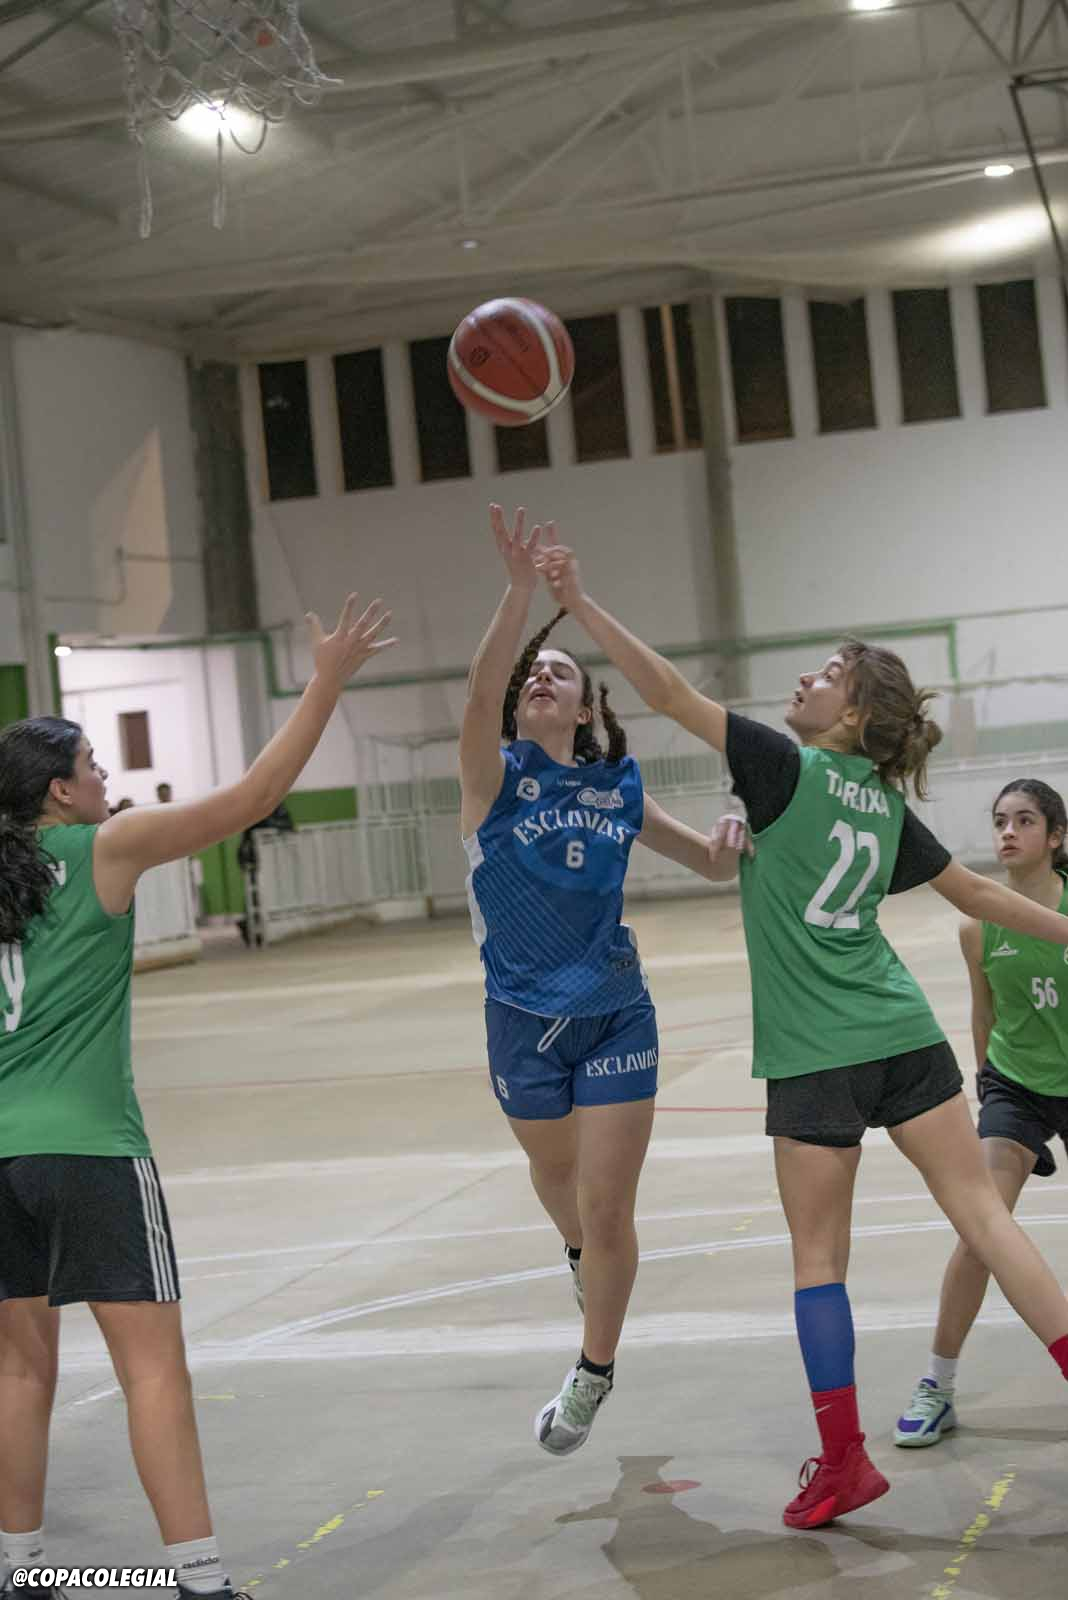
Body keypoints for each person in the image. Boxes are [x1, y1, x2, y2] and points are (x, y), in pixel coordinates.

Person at [538, 535, 1068, 1528]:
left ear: (853, 715)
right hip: (902, 1030)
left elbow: (664, 693)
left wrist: (581, 601)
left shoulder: (781, 765)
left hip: (817, 1054)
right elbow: (977, 895)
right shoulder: (884, 804)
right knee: (988, 1221)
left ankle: (844, 1462)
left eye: (825, 674)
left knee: (819, 1259)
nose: (804, 679)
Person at [0, 594, 394, 1600]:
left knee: (18, 1371)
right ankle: (201, 1581)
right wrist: (325, 682)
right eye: (92, 766)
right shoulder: (104, 850)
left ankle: (19, 1571)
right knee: (152, 1368)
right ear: (58, 792)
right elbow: (255, 794)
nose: (105, 779)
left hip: (1, 1159)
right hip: (89, 1147)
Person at [460, 505, 746, 1460]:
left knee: (608, 1202)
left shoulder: (617, 787)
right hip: (521, 1017)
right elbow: (479, 691)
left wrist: (729, 839)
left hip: (617, 1009)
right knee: (559, 1182)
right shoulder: (491, 780)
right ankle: (583, 1259)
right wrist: (519, 595)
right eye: (533, 674)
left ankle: (592, 1373)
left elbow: (708, 865)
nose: (542, 678)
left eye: (562, 673)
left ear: (586, 710)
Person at [895, 778, 1068, 1446]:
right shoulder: (978, 924)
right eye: (1000, 821)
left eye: (1024, 820)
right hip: (1015, 1087)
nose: (1007, 832)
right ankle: (937, 1384)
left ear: (1055, 836)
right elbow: (983, 1012)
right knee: (979, 1230)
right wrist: (989, 1090)